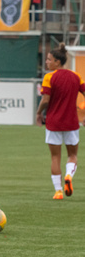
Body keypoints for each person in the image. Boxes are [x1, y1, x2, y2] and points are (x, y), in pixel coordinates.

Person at [36, 43, 85, 200]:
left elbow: (45, 99)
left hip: (53, 122)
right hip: (71, 122)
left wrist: (38, 113)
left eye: (49, 60)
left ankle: (58, 191)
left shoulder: (49, 77)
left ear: (57, 61)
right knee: (72, 155)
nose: (47, 62)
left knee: (55, 157)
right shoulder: (76, 76)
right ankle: (69, 176)